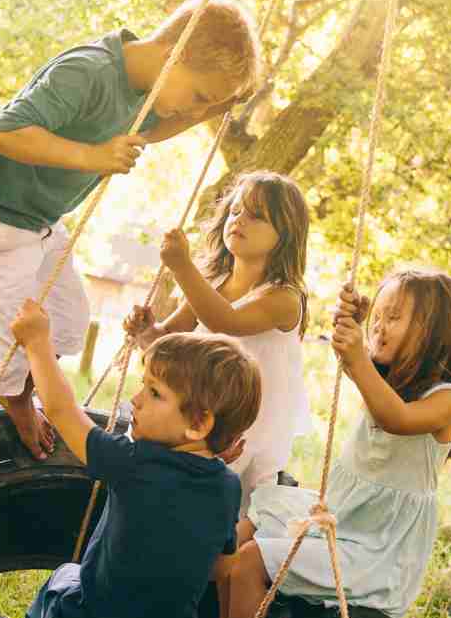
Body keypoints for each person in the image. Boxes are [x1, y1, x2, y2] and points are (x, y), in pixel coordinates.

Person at [0, 0, 261, 513]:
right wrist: (91, 157)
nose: (196, 112)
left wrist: (219, 103)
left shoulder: (149, 96)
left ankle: (19, 399)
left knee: (68, 325)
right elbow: (8, 133)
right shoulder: (89, 72)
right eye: (200, 95)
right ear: (175, 51)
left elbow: (167, 123)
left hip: (34, 226)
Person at [194, 267, 451, 618]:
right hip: (343, 516)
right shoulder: (389, 381)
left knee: (251, 561)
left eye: (394, 317)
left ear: (438, 333)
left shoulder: (448, 399)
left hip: (376, 547)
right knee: (265, 507)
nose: (381, 325)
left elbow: (394, 418)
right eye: (379, 315)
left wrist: (359, 353)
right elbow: (362, 374)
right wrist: (357, 326)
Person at [11, 299, 261, 618]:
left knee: (62, 578)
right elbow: (216, 565)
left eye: (155, 393)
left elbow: (59, 409)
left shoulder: (133, 463)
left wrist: (38, 341)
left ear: (199, 424)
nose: (135, 400)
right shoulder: (228, 487)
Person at [123, 171, 312, 510]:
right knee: (177, 495)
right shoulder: (216, 280)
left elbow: (226, 321)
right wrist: (145, 331)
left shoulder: (284, 298)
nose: (239, 220)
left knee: (222, 503)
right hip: (202, 412)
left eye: (256, 216)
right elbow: (167, 343)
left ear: (285, 233)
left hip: (249, 425)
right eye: (236, 211)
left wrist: (182, 267)